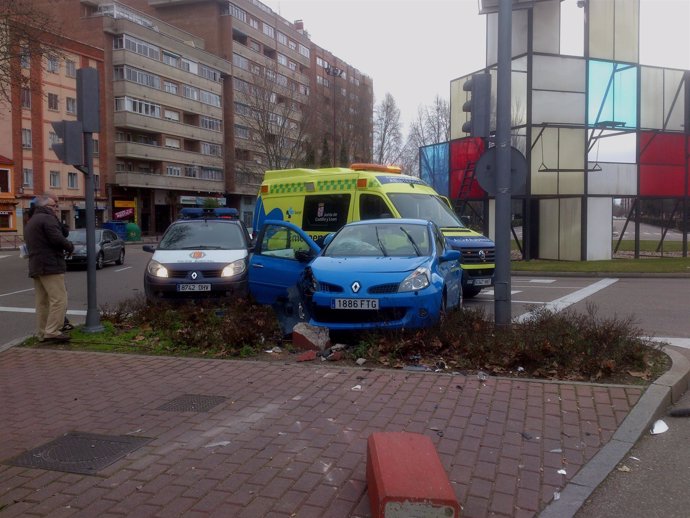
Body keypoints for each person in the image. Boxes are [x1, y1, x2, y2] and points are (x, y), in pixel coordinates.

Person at [24, 194, 75, 343]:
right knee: (59, 299)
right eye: (54, 206)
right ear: (46, 207)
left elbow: (60, 232)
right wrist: (70, 246)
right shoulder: (47, 218)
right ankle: (52, 331)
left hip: (36, 266)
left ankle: (42, 333)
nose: (56, 208)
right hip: (50, 265)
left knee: (42, 302)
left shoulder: (32, 220)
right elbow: (57, 238)